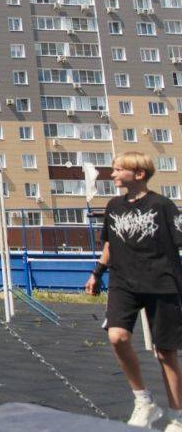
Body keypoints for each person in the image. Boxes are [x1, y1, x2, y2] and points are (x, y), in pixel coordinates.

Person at [84, 152, 182, 430]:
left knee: (165, 352)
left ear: (138, 174)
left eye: (118, 170)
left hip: (161, 282)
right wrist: (97, 273)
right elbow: (110, 244)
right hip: (123, 282)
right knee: (117, 336)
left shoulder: (162, 205)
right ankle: (144, 401)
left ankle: (177, 415)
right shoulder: (114, 206)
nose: (112, 174)